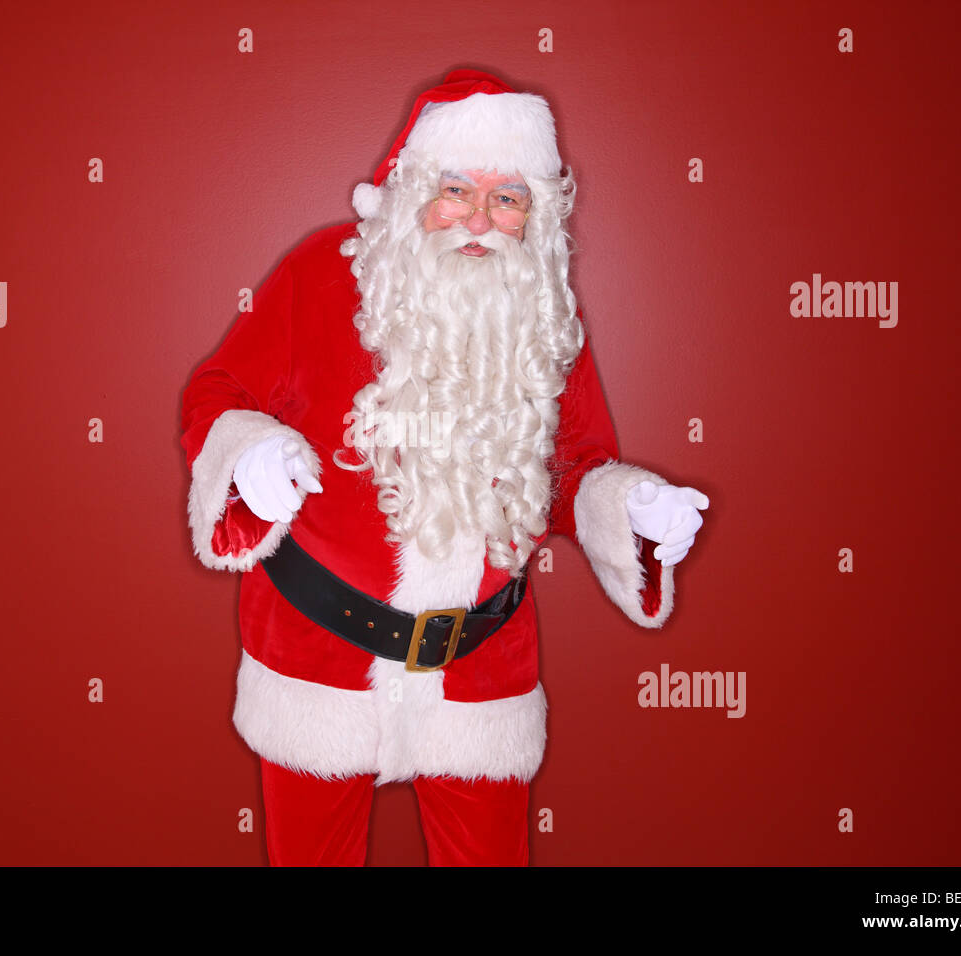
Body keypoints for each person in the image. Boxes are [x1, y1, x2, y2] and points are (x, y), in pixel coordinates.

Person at [180, 69, 708, 866]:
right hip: (317, 658)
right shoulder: (322, 273)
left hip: (480, 671)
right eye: (457, 189)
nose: (480, 221)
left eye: (509, 199)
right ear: (413, 188)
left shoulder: (541, 312)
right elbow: (217, 388)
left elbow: (572, 467)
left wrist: (629, 505)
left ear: (537, 216)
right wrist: (247, 450)